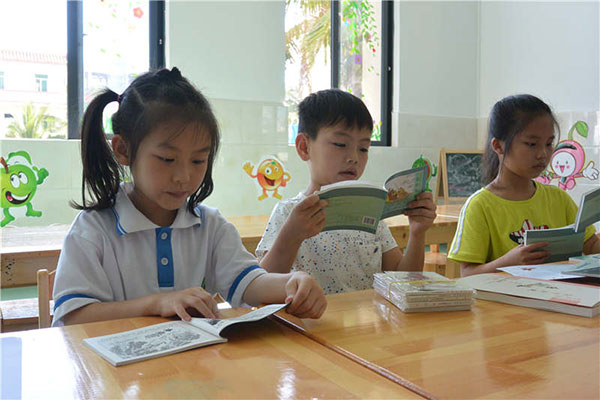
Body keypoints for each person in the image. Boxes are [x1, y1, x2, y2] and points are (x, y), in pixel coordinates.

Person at [52, 68, 326, 326]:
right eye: (167, 159)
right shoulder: (92, 231)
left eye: (198, 160)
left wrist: (291, 282)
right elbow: (74, 318)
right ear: (123, 150)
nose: (184, 176)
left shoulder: (211, 226)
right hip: (116, 376)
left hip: (192, 372)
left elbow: (249, 284)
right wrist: (157, 303)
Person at [256, 89, 436, 294]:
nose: (354, 158)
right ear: (304, 147)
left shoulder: (372, 214)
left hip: (368, 325)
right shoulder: (289, 213)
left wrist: (417, 232)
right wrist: (291, 235)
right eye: (340, 144)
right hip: (309, 324)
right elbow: (262, 285)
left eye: (363, 148)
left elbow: (402, 282)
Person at [448, 94, 600, 276]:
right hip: (504, 303)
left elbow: (591, 245)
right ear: (498, 146)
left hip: (559, 299)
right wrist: (507, 262)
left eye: (549, 143)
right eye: (531, 144)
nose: (543, 154)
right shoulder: (480, 206)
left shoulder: (558, 198)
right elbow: (467, 274)